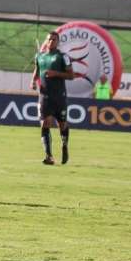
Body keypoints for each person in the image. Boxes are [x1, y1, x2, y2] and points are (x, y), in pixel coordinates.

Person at [31, 31, 82, 165]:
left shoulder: (63, 57)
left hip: (59, 97)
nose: (51, 42)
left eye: (54, 40)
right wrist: (32, 81)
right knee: (44, 124)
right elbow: (37, 70)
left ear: (58, 42)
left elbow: (71, 76)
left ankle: (64, 146)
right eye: (49, 39)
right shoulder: (39, 56)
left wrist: (55, 73)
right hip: (44, 96)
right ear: (46, 41)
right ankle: (49, 156)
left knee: (62, 124)